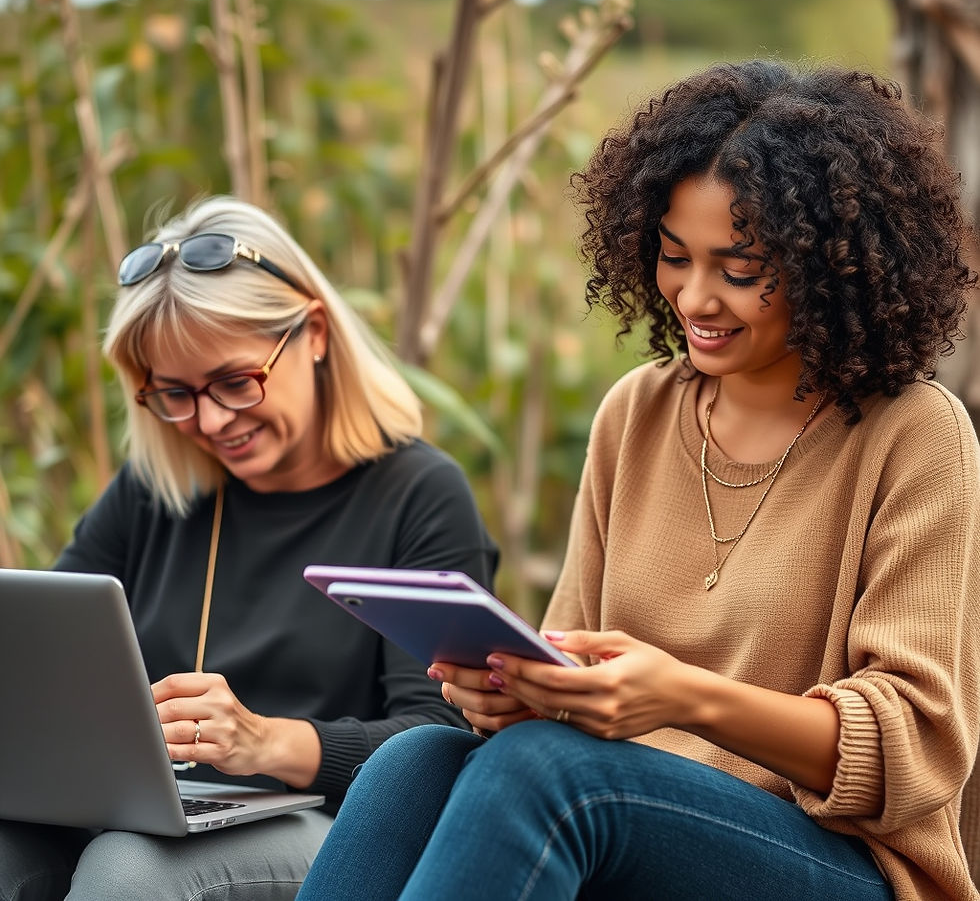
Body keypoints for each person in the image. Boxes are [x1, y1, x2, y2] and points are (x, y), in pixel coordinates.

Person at [295, 60, 980, 901]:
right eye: (673, 256)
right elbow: (568, 649)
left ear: (832, 264)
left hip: (830, 861)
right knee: (417, 759)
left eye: (740, 270)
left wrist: (680, 698)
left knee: (551, 772)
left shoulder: (913, 432)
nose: (696, 297)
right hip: (623, 810)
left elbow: (915, 749)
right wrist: (517, 691)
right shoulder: (639, 412)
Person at [0, 195, 498, 901]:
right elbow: (39, 659)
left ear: (315, 334)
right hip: (155, 814)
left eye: (235, 382)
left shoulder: (417, 494)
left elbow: (441, 734)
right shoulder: (154, 490)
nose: (207, 421)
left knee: (129, 871)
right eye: (173, 394)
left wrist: (264, 741)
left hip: (336, 828)